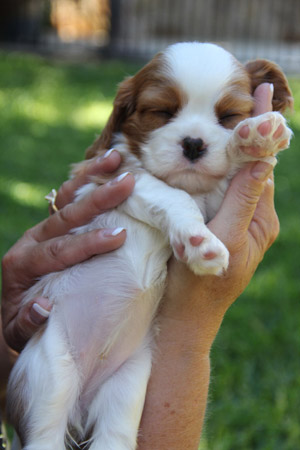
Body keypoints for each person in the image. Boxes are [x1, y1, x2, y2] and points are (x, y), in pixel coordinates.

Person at [1, 83, 279, 449]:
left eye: (226, 117)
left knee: (117, 438)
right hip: (62, 339)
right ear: (126, 116)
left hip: (129, 356)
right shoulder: (130, 170)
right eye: (164, 113)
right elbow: (138, 192)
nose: (194, 137)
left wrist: (251, 156)